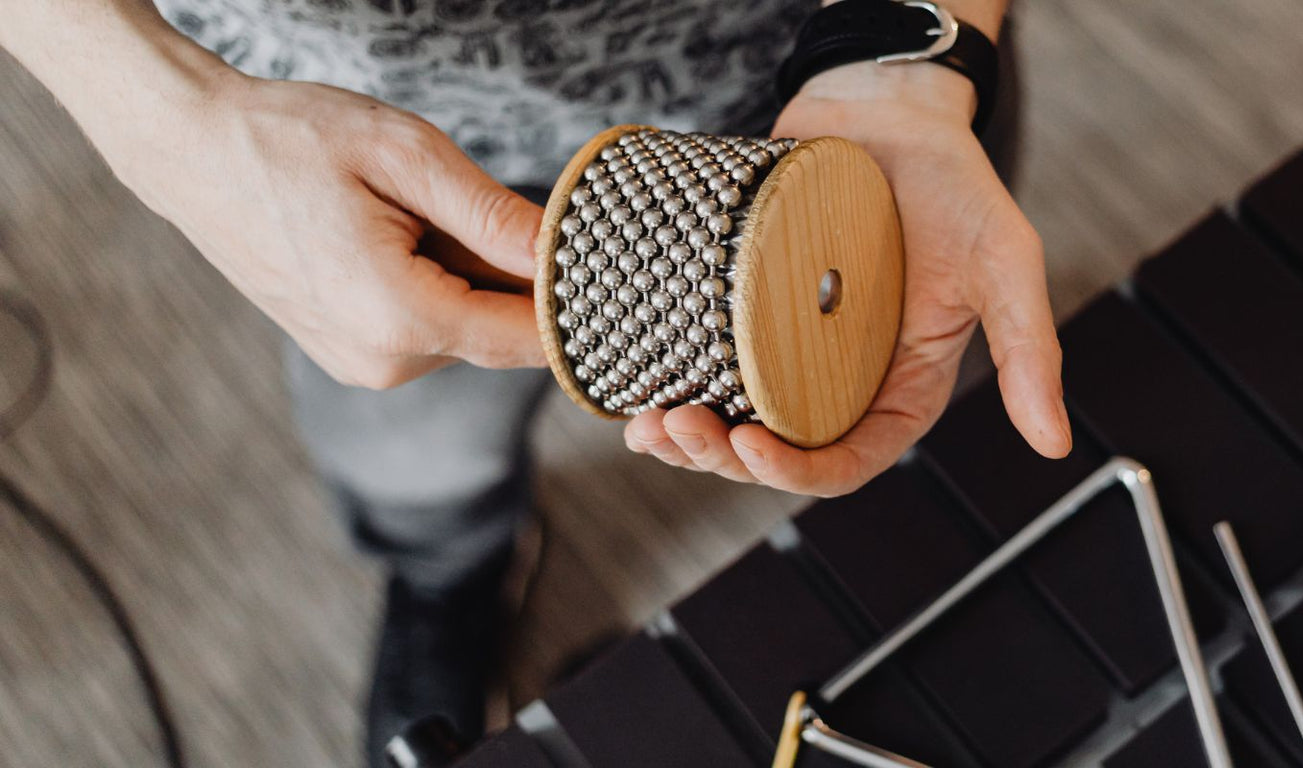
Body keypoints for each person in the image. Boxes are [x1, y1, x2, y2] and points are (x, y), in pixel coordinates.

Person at [0, 0, 1068, 764]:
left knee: (891, 391)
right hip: (340, 144)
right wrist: (160, 115)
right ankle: (450, 573)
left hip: (830, 79)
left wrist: (906, 48)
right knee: (411, 446)